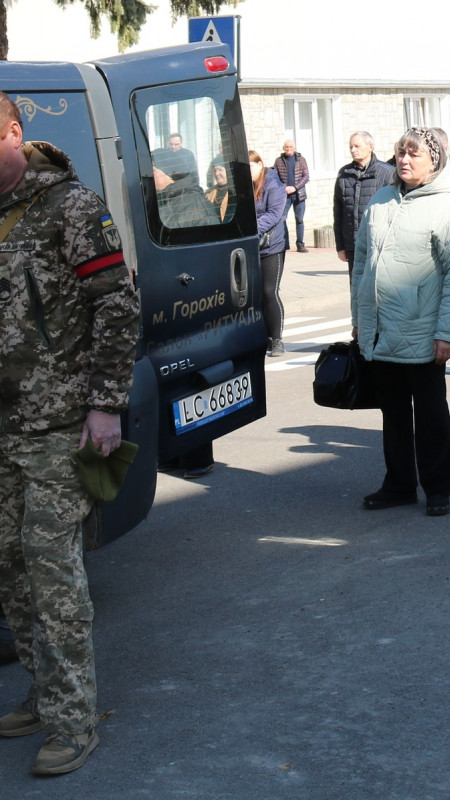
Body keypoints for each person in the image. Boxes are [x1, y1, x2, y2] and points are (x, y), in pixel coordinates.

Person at [0, 90, 140, 775]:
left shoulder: (70, 207)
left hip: (58, 424)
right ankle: (41, 688)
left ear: (14, 131)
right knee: (9, 568)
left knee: (51, 569)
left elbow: (116, 302)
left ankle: (72, 716)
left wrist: (106, 405)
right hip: (1, 425)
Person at [351, 127, 450, 516]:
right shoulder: (382, 199)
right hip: (382, 328)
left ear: (434, 161)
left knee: (431, 414)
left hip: (424, 331)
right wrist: (359, 315)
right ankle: (399, 484)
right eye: (401, 152)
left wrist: (446, 332)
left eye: (414, 154)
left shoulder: (446, 207)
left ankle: (437, 489)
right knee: (393, 413)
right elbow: (361, 262)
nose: (404, 160)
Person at [333, 131, 396, 270]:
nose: (353, 150)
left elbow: (395, 212)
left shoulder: (387, 173)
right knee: (355, 289)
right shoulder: (344, 174)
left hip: (379, 245)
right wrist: (341, 246)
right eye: (351, 147)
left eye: (357, 146)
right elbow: (339, 213)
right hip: (353, 246)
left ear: (370, 146)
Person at [250, 150, 289, 357]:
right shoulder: (246, 187)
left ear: (259, 165)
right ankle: (263, 336)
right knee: (255, 295)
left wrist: (250, 228)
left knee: (269, 291)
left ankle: (277, 340)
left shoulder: (274, 185)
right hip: (251, 248)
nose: (247, 171)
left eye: (250, 166)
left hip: (271, 246)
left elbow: (274, 215)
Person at [272, 139, 310, 253]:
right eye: (286, 147)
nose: (288, 149)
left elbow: (306, 176)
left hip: (299, 194)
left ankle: (300, 244)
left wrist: (295, 187)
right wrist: (283, 188)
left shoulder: (301, 160)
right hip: (285, 195)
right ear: (284, 148)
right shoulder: (279, 161)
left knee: (299, 219)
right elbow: (274, 176)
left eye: (291, 147)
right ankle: (284, 243)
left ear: (294, 148)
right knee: (282, 218)